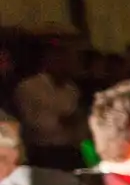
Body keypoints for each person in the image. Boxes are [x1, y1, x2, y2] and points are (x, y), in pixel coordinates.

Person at [13, 39, 88, 167]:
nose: (67, 65)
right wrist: (61, 121)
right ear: (49, 60)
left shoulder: (72, 89)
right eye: (62, 60)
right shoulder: (30, 87)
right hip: (43, 151)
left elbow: (77, 121)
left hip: (70, 149)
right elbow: (29, 120)